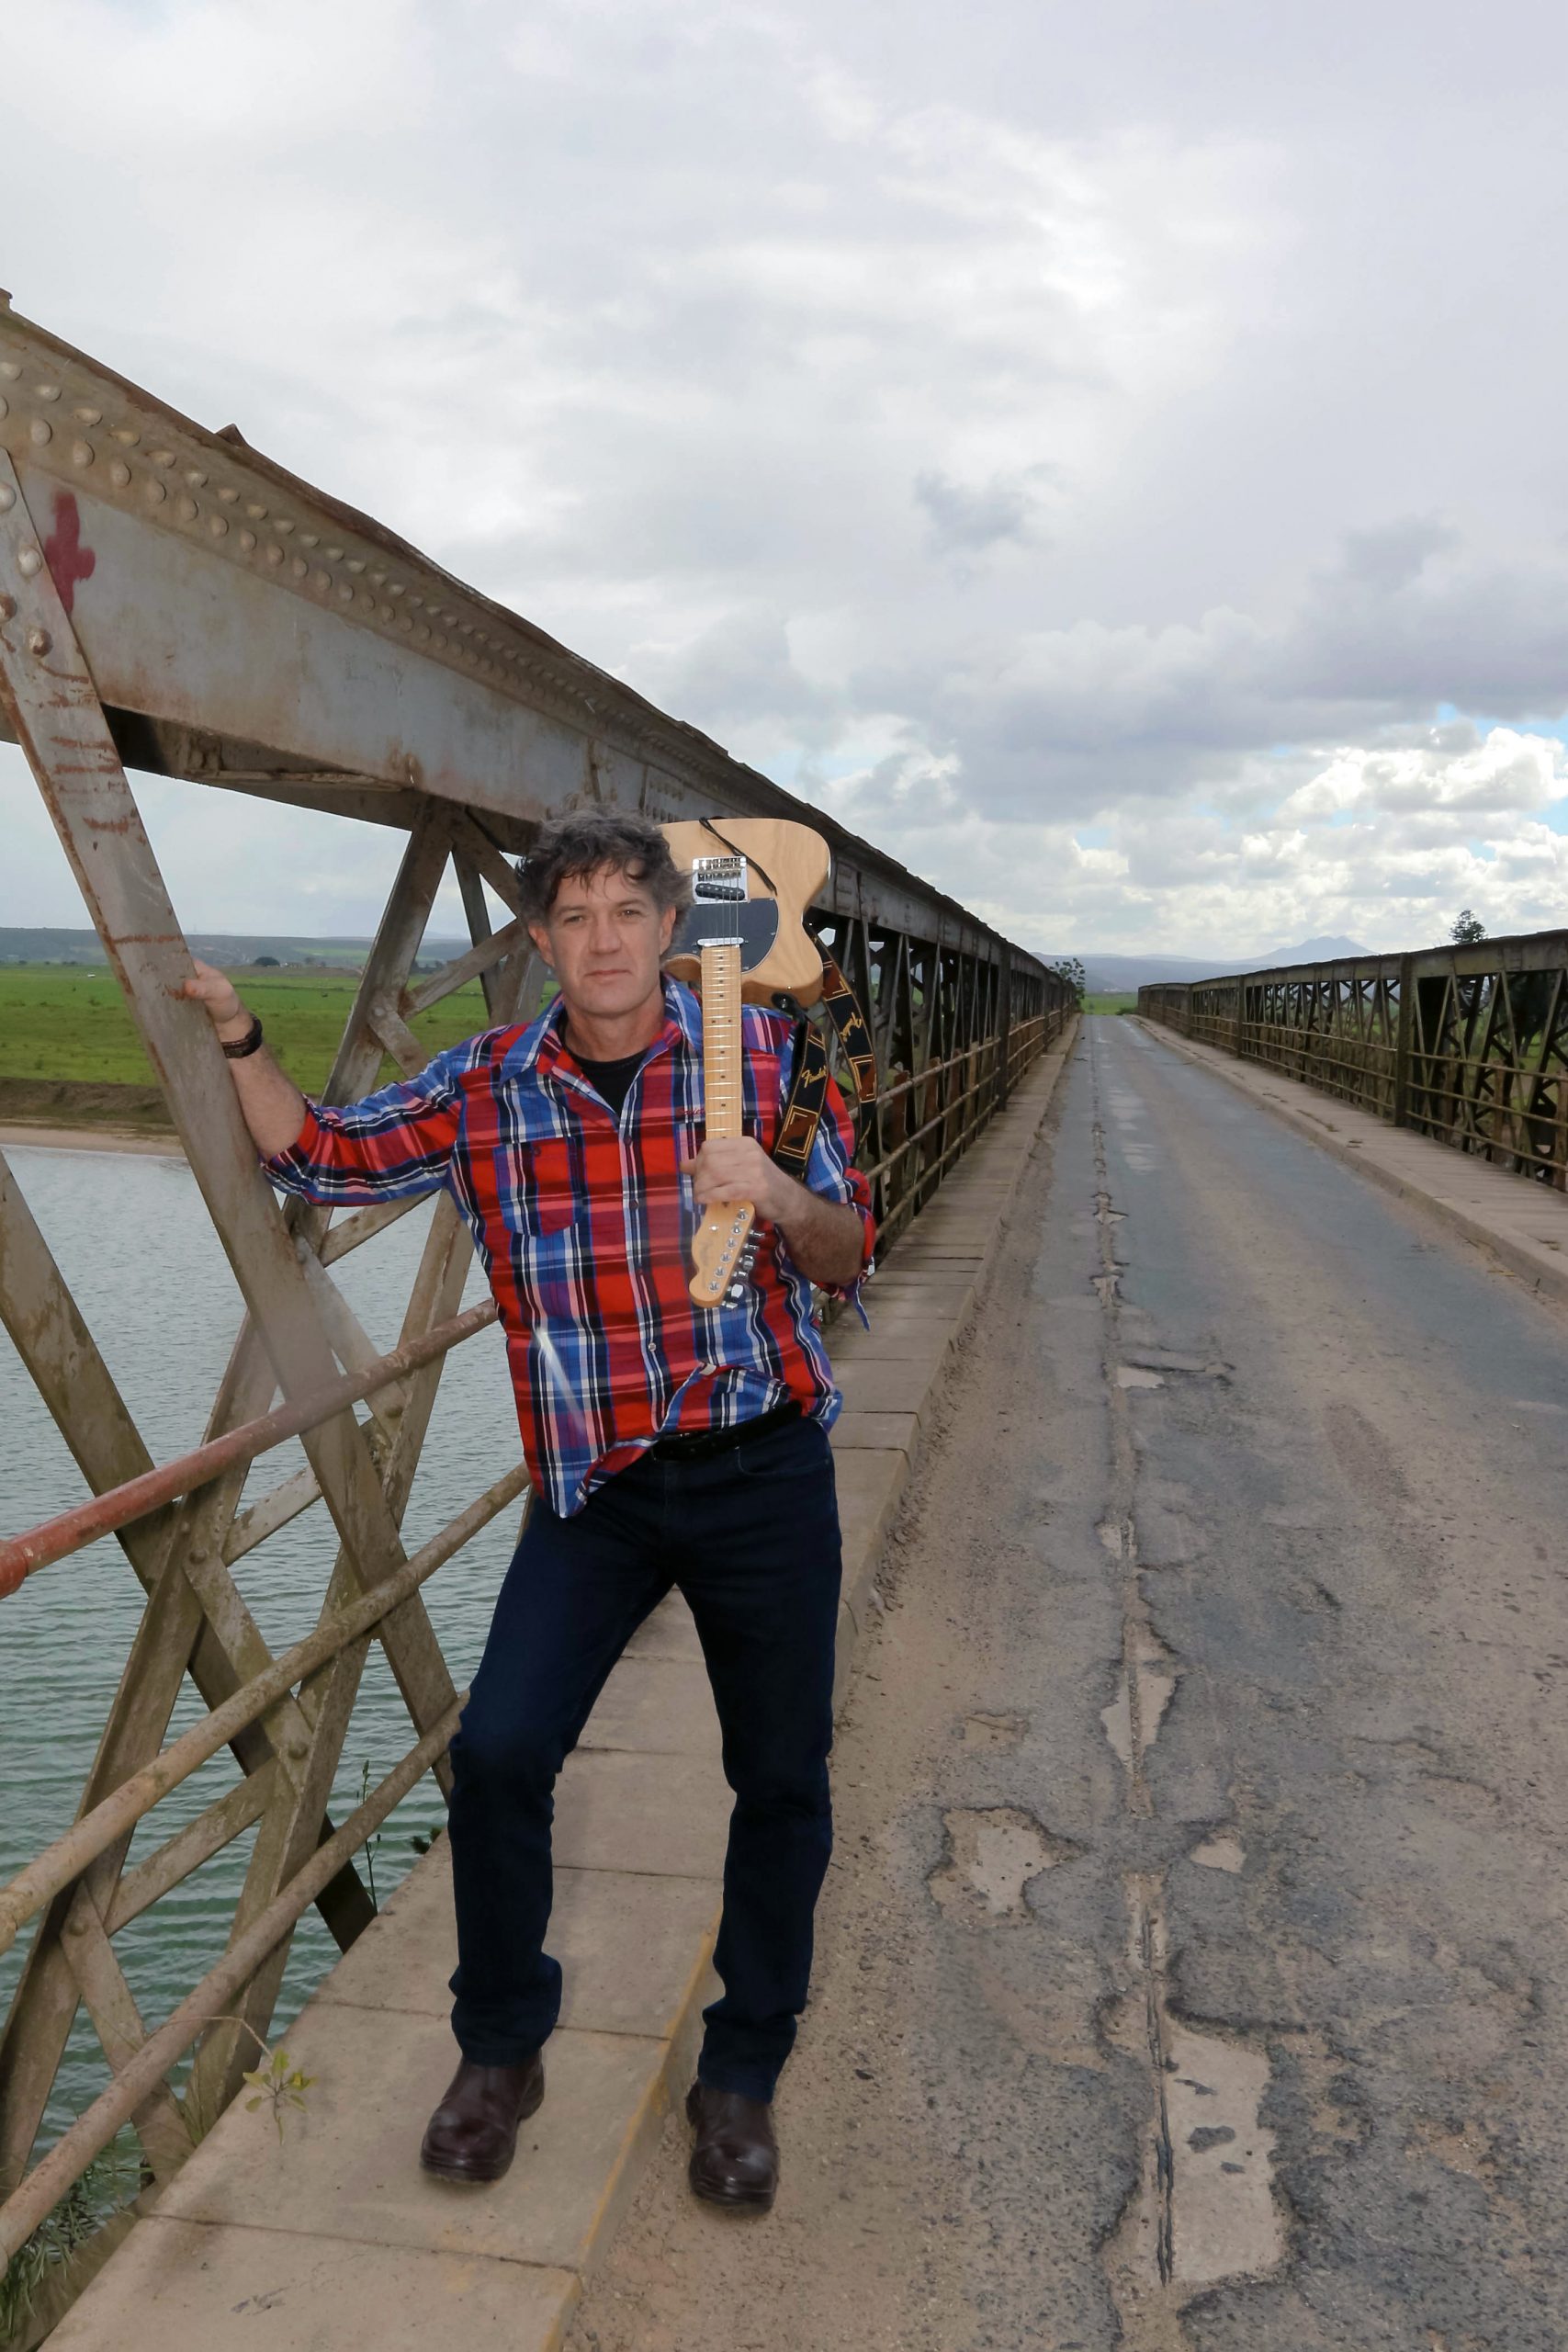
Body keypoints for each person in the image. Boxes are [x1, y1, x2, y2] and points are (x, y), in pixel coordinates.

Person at [182, 808, 874, 2213]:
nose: (603, 939)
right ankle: (501, 2049)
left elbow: (851, 1253)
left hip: (760, 1471)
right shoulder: (488, 1085)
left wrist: (776, 1191)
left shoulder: (766, 1056)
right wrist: (243, 1038)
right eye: (574, 916)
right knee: (499, 1753)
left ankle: (742, 2074)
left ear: (670, 930)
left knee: (782, 1781)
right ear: (542, 940)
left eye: (628, 911)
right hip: (595, 1488)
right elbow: (320, 1157)